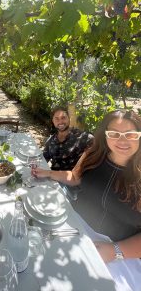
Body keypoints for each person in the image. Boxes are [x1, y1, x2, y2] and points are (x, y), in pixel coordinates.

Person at [33, 110, 141, 291]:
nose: (122, 141)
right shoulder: (94, 154)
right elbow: (75, 177)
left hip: (116, 251)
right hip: (73, 230)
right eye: (114, 134)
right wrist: (48, 173)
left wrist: (115, 251)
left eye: (130, 134)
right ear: (105, 134)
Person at [43, 106, 93, 171]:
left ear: (69, 118)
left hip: (74, 179)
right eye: (56, 119)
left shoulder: (83, 137)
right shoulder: (51, 140)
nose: (60, 121)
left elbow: (94, 145)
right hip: (53, 178)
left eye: (63, 118)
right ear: (53, 121)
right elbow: (43, 159)